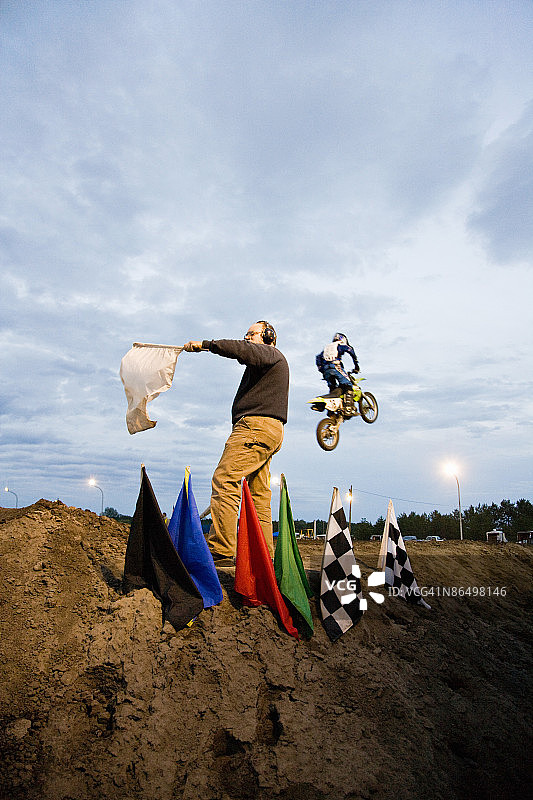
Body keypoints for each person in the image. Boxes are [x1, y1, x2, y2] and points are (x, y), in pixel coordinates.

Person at [184, 321, 288, 564]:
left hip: (254, 427)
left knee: (225, 478)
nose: (247, 338)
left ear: (269, 336)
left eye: (252, 334)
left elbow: (242, 350)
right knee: (259, 495)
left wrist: (205, 345)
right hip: (269, 431)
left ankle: (221, 548)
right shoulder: (268, 363)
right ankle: (262, 556)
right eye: (246, 335)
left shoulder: (270, 353)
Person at [315, 333, 359, 411]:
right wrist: (356, 364)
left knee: (333, 389)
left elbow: (318, 357)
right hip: (335, 366)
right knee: (348, 384)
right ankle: (348, 407)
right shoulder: (340, 345)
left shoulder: (327, 347)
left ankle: (332, 409)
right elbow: (350, 350)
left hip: (326, 370)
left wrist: (322, 370)